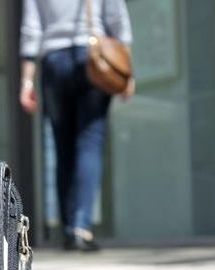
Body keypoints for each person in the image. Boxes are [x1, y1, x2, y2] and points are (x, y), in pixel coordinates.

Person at [20, 0, 134, 251]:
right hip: (94, 58)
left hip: (53, 63)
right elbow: (117, 19)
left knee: (62, 147)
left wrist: (27, 81)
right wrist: (127, 70)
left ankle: (68, 229)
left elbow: (31, 28)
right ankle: (80, 226)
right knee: (89, 142)